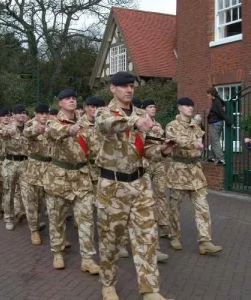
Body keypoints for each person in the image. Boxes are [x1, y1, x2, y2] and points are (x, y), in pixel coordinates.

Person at [95, 71, 175, 300]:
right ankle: (108, 284)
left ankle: (150, 289)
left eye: (131, 86)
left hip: (140, 185)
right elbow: (108, 125)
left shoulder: (142, 114)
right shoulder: (103, 113)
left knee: (147, 238)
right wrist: (135, 122)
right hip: (113, 187)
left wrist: (161, 150)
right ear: (113, 89)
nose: (129, 90)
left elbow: (146, 149)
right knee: (111, 240)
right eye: (123, 86)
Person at [43, 89, 99, 274]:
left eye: (74, 98)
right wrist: (69, 129)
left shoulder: (86, 123)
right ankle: (58, 252)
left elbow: (95, 148)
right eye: (67, 98)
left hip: (82, 177)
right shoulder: (53, 121)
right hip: (59, 178)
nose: (71, 101)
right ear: (60, 103)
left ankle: (88, 259)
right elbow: (55, 131)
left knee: (86, 220)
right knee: (57, 218)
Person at [166, 97, 222, 255]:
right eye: (186, 105)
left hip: (195, 171)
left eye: (191, 105)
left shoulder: (196, 127)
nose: (190, 108)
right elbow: (175, 140)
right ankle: (174, 236)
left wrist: (197, 143)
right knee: (174, 207)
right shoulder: (172, 126)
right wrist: (194, 143)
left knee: (202, 206)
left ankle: (205, 241)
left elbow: (200, 143)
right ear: (179, 108)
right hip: (179, 170)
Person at [142, 99, 170, 262]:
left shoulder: (159, 125)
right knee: (147, 199)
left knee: (160, 194)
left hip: (158, 163)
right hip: (145, 163)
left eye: (154, 106)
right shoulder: (141, 125)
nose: (153, 109)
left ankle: (163, 225)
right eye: (150, 107)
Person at [21, 103, 51, 245]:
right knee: (33, 202)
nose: (45, 116)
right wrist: (37, 130)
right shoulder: (30, 125)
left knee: (51, 203)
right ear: (36, 114)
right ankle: (34, 230)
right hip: (34, 169)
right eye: (42, 114)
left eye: (46, 113)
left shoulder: (53, 124)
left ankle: (57, 235)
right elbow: (27, 133)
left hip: (51, 168)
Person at [0, 104, 28, 231]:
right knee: (9, 192)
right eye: (19, 113)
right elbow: (1, 133)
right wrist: (6, 132)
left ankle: (28, 217)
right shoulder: (8, 127)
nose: (22, 114)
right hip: (10, 163)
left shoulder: (28, 128)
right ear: (14, 115)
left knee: (27, 192)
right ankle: (9, 218)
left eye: (23, 112)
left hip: (25, 163)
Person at [207, 87, 233, 165]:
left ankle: (221, 159)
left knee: (215, 141)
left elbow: (222, 113)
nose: (207, 96)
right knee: (214, 140)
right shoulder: (215, 101)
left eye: (208, 94)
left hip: (215, 124)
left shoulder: (217, 102)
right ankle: (212, 157)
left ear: (212, 94)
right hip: (215, 124)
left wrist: (229, 123)